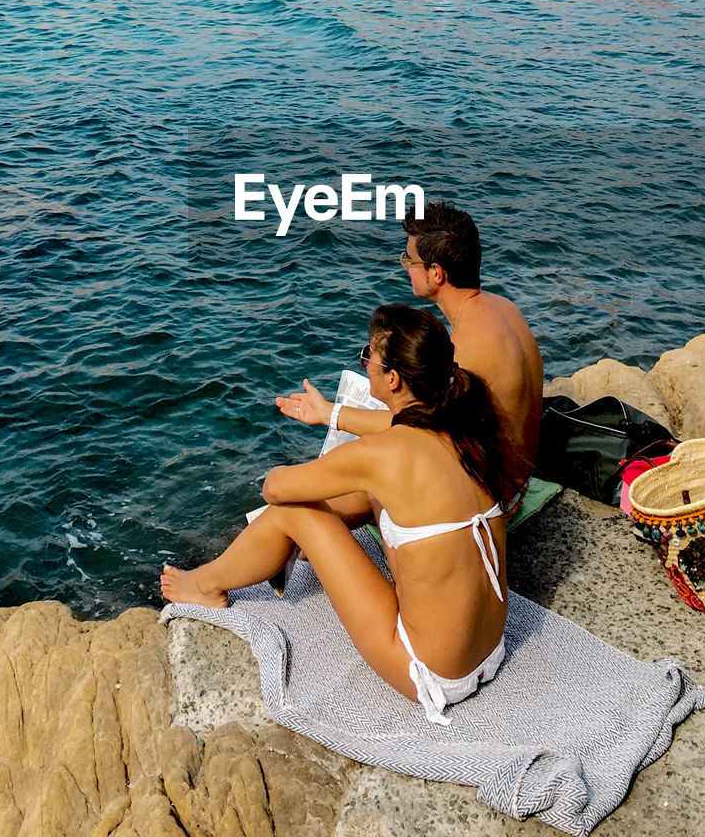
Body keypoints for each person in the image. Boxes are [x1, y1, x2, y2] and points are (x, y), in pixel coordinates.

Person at [161, 305, 517, 725]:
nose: (364, 361)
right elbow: (398, 430)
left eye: (369, 356)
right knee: (366, 496)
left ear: (393, 378)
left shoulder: (383, 455)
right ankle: (299, 552)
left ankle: (203, 585)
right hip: (490, 652)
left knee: (293, 514)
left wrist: (305, 474)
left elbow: (275, 488)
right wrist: (328, 413)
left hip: (428, 673)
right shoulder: (466, 426)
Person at [281, 201, 542, 486]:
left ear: (436, 273)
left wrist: (329, 413)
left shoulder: (464, 348)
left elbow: (414, 427)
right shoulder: (504, 308)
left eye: (410, 259)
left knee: (334, 488)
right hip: (518, 474)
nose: (405, 265)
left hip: (492, 490)